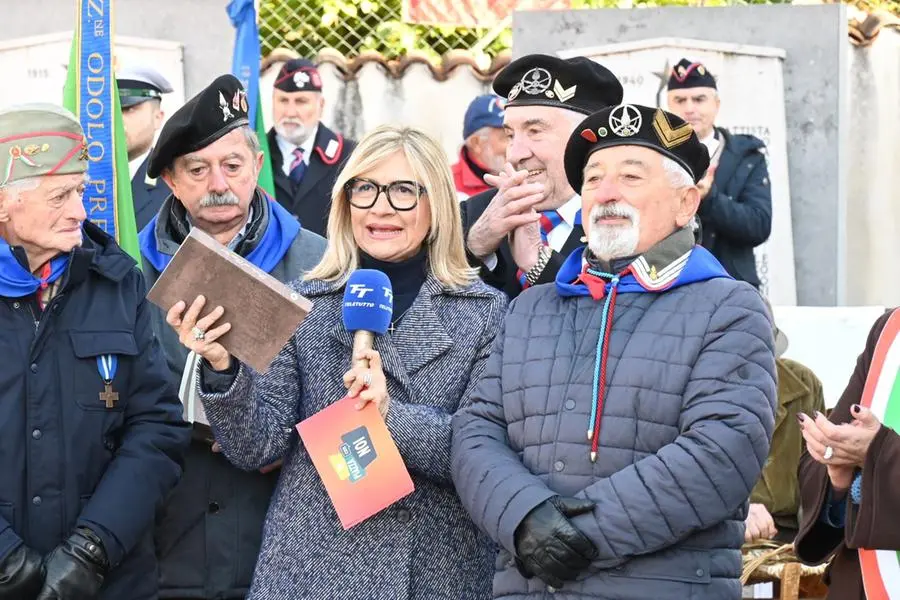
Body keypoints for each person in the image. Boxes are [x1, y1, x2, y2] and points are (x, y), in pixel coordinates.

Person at [165, 124, 507, 599]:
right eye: (364, 189)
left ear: (439, 206)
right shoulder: (308, 301)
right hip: (311, 572)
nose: (381, 207)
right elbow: (256, 447)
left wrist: (391, 416)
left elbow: (482, 456)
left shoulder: (486, 313)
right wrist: (224, 367)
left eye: (403, 190)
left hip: (431, 573)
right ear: (345, 203)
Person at [452, 102, 777, 599]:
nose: (606, 193)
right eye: (593, 178)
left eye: (630, 177)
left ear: (686, 203)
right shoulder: (531, 308)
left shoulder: (729, 306)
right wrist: (522, 519)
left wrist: (573, 537)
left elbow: (721, 453)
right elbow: (475, 433)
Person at [139, 74, 327, 600]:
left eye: (232, 165)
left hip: (283, 514)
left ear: (258, 168)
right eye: (197, 170)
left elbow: (342, 393)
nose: (217, 182)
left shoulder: (319, 263)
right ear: (172, 182)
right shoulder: (131, 269)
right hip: (170, 512)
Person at [0, 103, 189, 599]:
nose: (81, 212)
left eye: (81, 191)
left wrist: (92, 549)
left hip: (108, 581)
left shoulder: (116, 280)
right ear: (4, 203)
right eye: (59, 195)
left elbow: (156, 426)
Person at [460, 54, 624, 299]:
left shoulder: (630, 219)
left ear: (589, 140)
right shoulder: (474, 216)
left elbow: (622, 319)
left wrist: (541, 266)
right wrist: (474, 250)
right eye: (510, 135)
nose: (515, 155)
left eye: (535, 131)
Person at [794, 308, 900, 600]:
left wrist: (876, 455)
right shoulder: (890, 332)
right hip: (860, 582)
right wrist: (838, 476)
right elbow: (823, 451)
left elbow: (872, 448)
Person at [666, 58, 772, 288]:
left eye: (699, 99)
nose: (689, 108)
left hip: (731, 288)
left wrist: (709, 198)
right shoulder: (654, 156)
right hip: (667, 287)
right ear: (668, 105)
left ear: (716, 104)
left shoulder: (747, 156)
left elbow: (759, 225)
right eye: (680, 100)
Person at [745, 301, 825, 544]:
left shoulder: (803, 382)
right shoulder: (695, 387)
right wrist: (734, 513)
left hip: (790, 535)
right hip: (721, 534)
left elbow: (820, 473)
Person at [268, 57, 357, 236]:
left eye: (301, 101)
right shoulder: (254, 157)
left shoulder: (350, 156)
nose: (290, 112)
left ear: (320, 105)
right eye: (283, 100)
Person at [118, 64, 174, 230]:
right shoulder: (79, 181)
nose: (118, 121)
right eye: (111, 111)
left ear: (157, 118)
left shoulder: (174, 188)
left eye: (129, 109)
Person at [451, 94, 507, 200]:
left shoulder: (530, 176)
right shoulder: (446, 186)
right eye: (507, 136)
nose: (516, 144)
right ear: (476, 143)